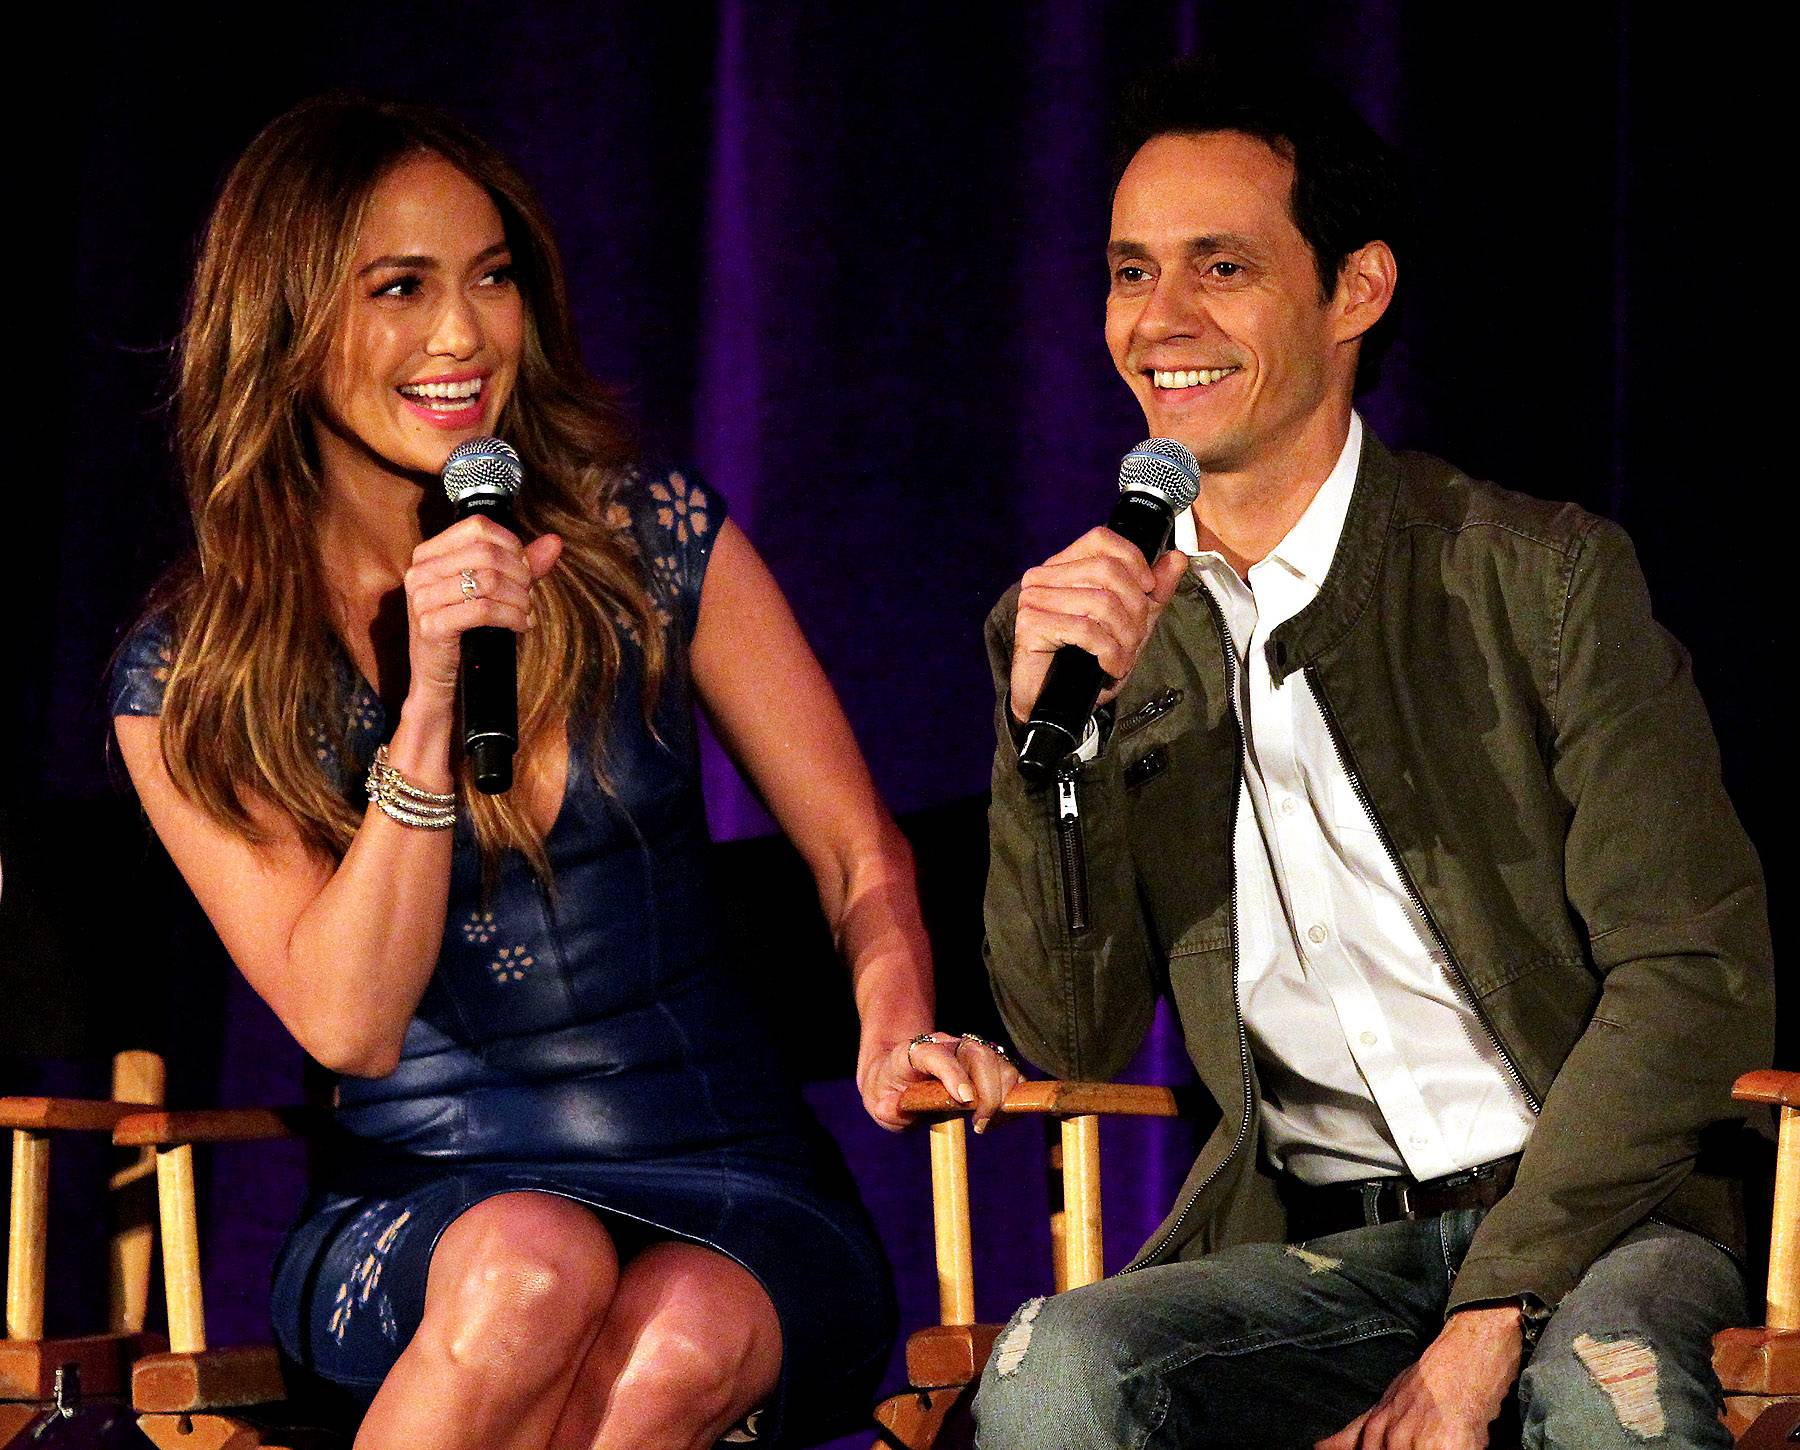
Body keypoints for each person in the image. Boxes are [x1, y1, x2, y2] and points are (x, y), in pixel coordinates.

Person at [110, 95, 1020, 1450]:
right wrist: (425, 711)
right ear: (286, 323)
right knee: (532, 1268)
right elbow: (350, 1023)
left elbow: (855, 855)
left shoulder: (646, 542)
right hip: (423, 1202)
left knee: (682, 1341)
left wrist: (892, 1018)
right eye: (400, 289)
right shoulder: (193, 674)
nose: (463, 334)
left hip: (727, 1171)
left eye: (491, 277)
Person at [971, 55, 1773, 1450]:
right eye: (1129, 271)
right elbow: (1071, 1034)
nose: (1159, 321)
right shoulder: (1099, 631)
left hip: (1604, 1216)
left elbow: (1696, 973)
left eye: (1220, 268)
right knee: (1054, 1367)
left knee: (1603, 1391)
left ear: (1357, 289)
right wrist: (1053, 751)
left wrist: (1494, 1309)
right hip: (1324, 1252)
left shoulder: (1537, 575)